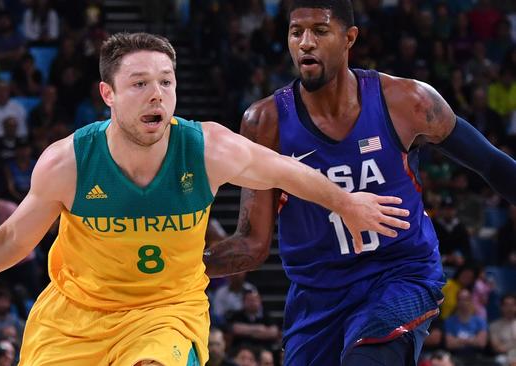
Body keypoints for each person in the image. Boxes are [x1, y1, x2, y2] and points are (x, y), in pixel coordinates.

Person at [0, 33, 408, 366]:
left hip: (165, 311)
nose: (157, 95)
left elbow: (287, 171)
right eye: (139, 84)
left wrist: (346, 202)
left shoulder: (207, 148)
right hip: (74, 316)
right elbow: (11, 239)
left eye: (166, 82)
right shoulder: (67, 162)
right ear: (107, 94)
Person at [202, 1, 516, 365]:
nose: (305, 42)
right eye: (295, 32)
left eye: (319, 31)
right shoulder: (264, 122)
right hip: (317, 295)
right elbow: (253, 246)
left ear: (349, 37)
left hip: (398, 274)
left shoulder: (407, 101)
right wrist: (183, 263)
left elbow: (492, 164)